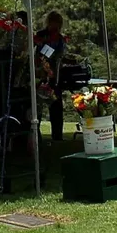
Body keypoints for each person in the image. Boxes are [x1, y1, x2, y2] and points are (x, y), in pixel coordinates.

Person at [32, 10, 69, 141]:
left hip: (55, 76)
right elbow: (36, 53)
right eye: (54, 23)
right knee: (38, 107)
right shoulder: (40, 35)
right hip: (40, 75)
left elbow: (61, 55)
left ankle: (57, 135)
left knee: (56, 106)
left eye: (58, 23)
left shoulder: (60, 38)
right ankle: (36, 135)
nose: (55, 26)